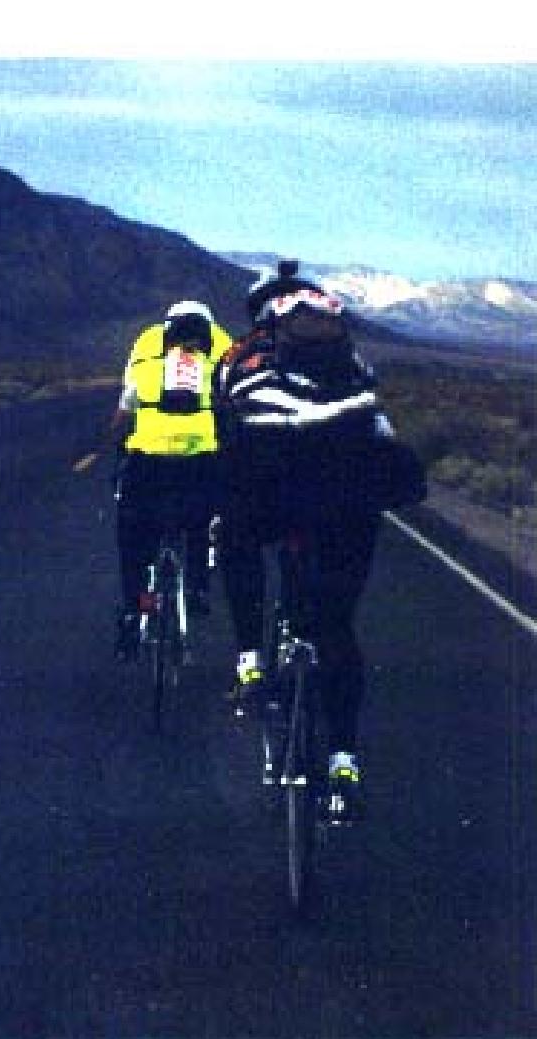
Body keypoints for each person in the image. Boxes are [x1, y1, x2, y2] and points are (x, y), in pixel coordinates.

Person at [215, 261, 426, 821]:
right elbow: (378, 427)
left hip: (274, 491)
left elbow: (227, 435)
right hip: (349, 498)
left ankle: (250, 662)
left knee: (233, 534)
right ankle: (343, 765)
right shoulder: (352, 356)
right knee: (334, 626)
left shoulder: (241, 355)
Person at [111, 300, 233, 660]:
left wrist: (117, 448)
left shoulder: (147, 365)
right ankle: (197, 589)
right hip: (201, 466)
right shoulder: (218, 364)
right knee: (202, 523)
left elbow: (122, 416)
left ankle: (133, 612)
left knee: (132, 537)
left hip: (147, 465)